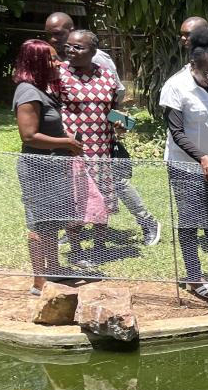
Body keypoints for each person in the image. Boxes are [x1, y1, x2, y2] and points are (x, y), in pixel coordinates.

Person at [60, 30, 161, 263]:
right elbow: (50, 111)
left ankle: (99, 248)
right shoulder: (59, 75)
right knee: (74, 199)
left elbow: (111, 109)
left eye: (78, 47)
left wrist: (120, 123)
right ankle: (76, 250)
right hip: (72, 150)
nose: (71, 51)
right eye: (69, 46)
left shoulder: (105, 75)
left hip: (101, 149)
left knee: (102, 199)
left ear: (93, 52)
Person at [159, 27, 208, 300]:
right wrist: (202, 157)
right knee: (191, 220)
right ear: (194, 64)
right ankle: (194, 277)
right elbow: (176, 132)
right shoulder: (175, 87)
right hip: (185, 167)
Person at [11, 39, 92, 294]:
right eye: (53, 59)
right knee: (38, 224)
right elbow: (29, 136)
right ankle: (39, 280)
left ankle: (55, 270)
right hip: (38, 169)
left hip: (56, 167)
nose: (59, 63)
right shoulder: (27, 92)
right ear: (35, 62)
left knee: (53, 222)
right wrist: (67, 142)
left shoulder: (42, 90)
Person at [44, 12, 122, 89]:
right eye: (49, 35)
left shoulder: (95, 56)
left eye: (58, 34)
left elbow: (117, 89)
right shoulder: (53, 57)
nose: (53, 39)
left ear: (71, 31)